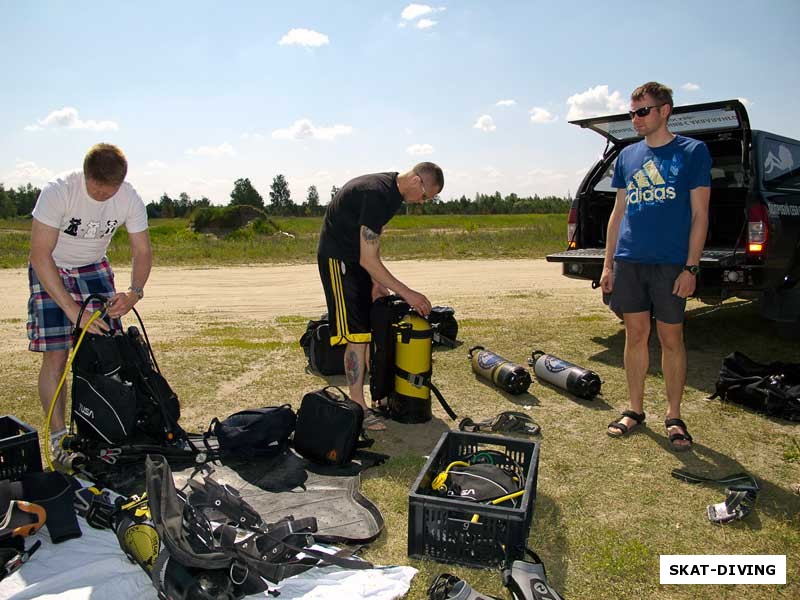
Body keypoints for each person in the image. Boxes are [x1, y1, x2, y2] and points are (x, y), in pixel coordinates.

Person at [601, 82, 711, 451]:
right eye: (632, 113)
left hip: (670, 264)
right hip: (630, 260)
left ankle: (674, 415)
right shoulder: (627, 156)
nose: (635, 119)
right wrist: (608, 265)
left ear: (665, 110)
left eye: (642, 111)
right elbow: (617, 215)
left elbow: (700, 215)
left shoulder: (693, 152)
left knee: (671, 338)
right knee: (634, 335)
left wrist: (690, 268)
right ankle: (634, 410)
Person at [28, 143, 152, 469]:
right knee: (57, 356)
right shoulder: (58, 192)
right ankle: (58, 440)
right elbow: (39, 254)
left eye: (109, 191)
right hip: (52, 268)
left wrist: (134, 293)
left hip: (93, 268)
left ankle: (106, 429)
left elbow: (142, 251)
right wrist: (72, 309)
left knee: (109, 353)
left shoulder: (129, 197)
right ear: (85, 175)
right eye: (97, 189)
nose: (102, 196)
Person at [317, 163, 444, 430]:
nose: (421, 203)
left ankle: (370, 397)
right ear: (416, 181)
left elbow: (370, 245)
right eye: (424, 197)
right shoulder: (377, 193)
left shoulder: (391, 194)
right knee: (356, 334)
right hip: (338, 259)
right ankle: (357, 407)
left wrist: (376, 281)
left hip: (356, 262)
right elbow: (368, 257)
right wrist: (408, 294)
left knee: (366, 330)